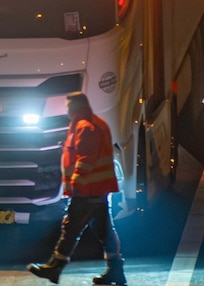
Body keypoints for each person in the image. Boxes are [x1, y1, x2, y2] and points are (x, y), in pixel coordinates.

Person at [28, 92, 126, 285]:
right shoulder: (93, 123)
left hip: (88, 190)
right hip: (97, 189)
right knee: (104, 231)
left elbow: (85, 160)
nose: (67, 110)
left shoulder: (84, 127)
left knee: (71, 227)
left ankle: (55, 267)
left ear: (75, 108)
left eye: (69, 107)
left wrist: (76, 186)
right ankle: (116, 270)